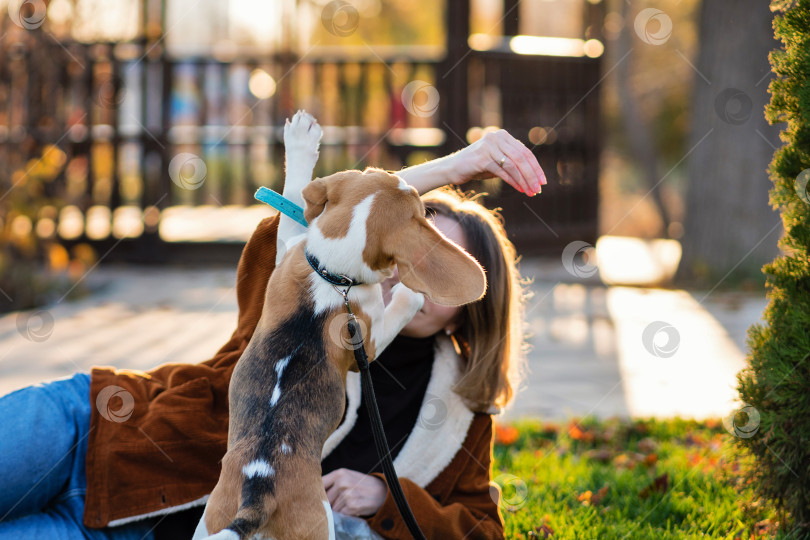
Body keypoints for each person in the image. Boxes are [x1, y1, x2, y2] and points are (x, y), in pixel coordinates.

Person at [0, 129, 545, 539]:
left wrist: (387, 496)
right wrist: (457, 165)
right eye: (402, 247)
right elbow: (306, 226)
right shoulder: (308, 293)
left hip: (114, 531)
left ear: (466, 306)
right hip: (90, 431)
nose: (407, 272)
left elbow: (482, 531)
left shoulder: (455, 412)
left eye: (431, 264)